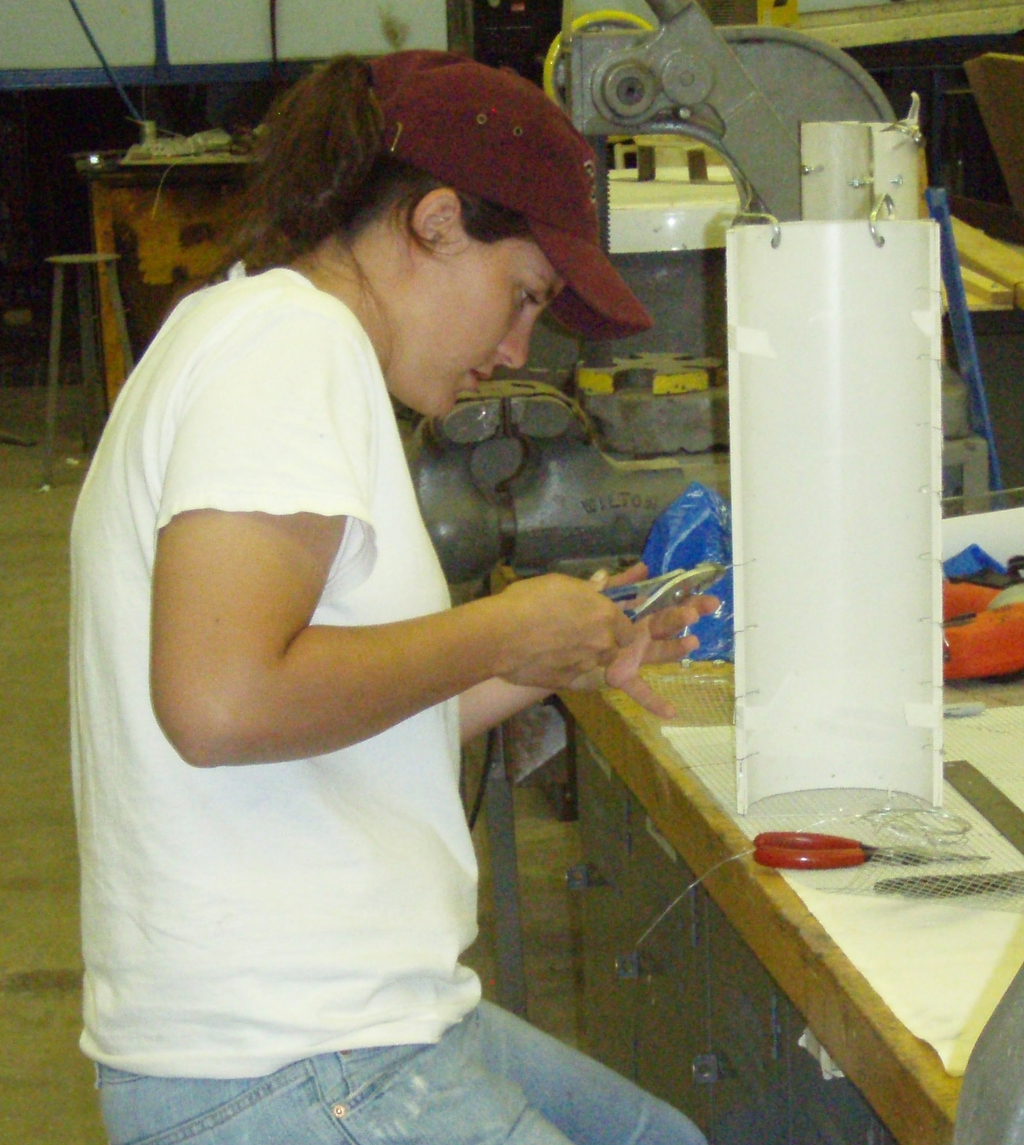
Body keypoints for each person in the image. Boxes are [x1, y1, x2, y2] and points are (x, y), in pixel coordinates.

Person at [70, 50, 718, 1145]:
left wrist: (530, 663)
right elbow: (222, 702)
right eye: (521, 299)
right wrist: (499, 621)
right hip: (288, 1058)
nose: (516, 349)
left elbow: (324, 726)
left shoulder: (251, 336)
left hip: (333, 1033)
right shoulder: (289, 343)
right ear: (436, 221)